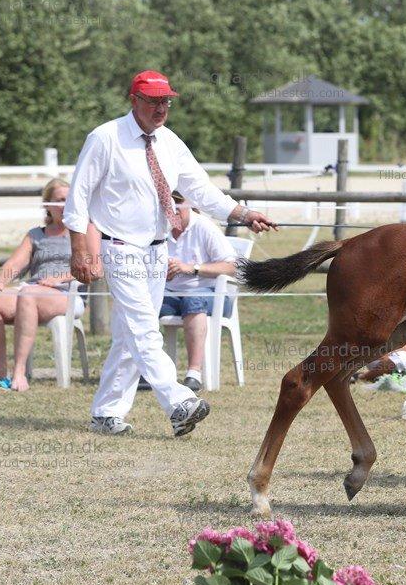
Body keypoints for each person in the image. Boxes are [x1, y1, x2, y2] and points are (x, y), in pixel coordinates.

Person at [63, 70, 276, 437]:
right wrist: (80, 248)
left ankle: (106, 412)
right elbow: (78, 196)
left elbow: (201, 189)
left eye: (167, 101)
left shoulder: (170, 143)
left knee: (130, 334)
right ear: (135, 101)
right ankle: (179, 402)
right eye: (154, 101)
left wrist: (242, 213)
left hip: (157, 251)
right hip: (119, 247)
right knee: (145, 330)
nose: (162, 108)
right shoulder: (105, 138)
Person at [0, 179, 88, 391]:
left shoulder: (82, 232)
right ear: (47, 205)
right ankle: (0, 369)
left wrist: (59, 278)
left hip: (66, 294)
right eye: (59, 200)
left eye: (69, 200)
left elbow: (91, 266)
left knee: (28, 294)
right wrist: (0, 282)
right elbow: (16, 263)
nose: (65, 205)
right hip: (33, 292)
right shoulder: (36, 234)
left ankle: (19, 374)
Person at [150, 190, 238, 392]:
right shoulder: (157, 229)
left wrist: (193, 268)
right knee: (142, 306)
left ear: (189, 204)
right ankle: (148, 372)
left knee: (193, 300)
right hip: (169, 293)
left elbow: (234, 267)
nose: (173, 209)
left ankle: (194, 373)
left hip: (211, 294)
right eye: (168, 205)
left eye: (178, 204)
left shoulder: (205, 227)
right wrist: (161, 274)